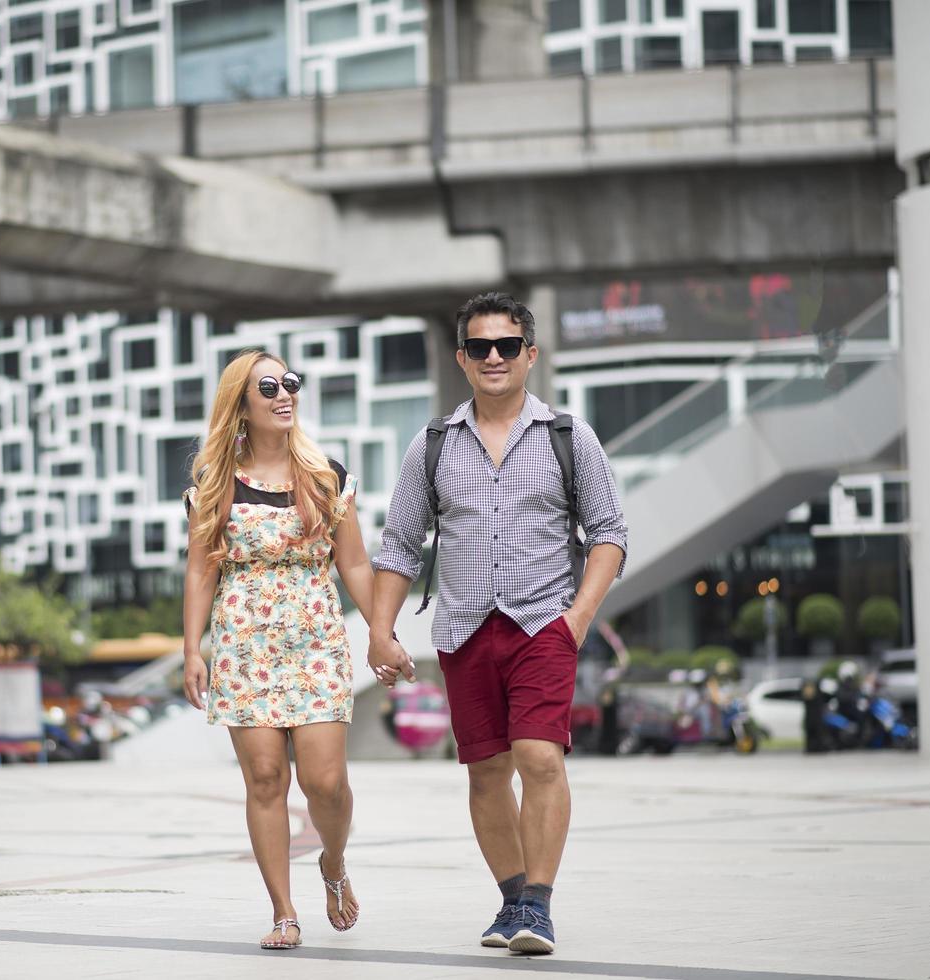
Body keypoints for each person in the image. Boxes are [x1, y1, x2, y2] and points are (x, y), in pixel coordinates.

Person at [366, 293, 628, 956]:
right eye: (479, 346)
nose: (492, 357)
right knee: (485, 772)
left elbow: (608, 534)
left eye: (506, 346)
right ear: (460, 358)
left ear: (529, 356)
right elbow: (399, 543)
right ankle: (511, 896)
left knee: (539, 757)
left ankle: (536, 908)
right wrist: (379, 628)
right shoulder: (430, 445)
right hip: (461, 628)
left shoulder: (570, 437)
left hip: (544, 624)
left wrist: (576, 619)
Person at [182, 348, 398, 950]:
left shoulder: (326, 475)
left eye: (291, 383)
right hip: (242, 646)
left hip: (316, 640)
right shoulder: (212, 484)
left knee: (326, 783)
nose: (285, 395)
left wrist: (382, 631)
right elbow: (200, 572)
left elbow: (353, 560)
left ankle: (333, 862)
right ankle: (283, 910)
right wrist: (191, 649)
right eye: (270, 386)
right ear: (242, 406)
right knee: (266, 779)